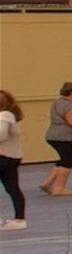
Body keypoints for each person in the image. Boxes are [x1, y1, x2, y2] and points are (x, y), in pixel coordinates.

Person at [2, 86, 24, 229]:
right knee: (12, 188)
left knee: (12, 188)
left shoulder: (3, 116)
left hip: (3, 157)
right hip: (12, 157)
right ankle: (19, 219)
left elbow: (1, 135)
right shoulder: (9, 115)